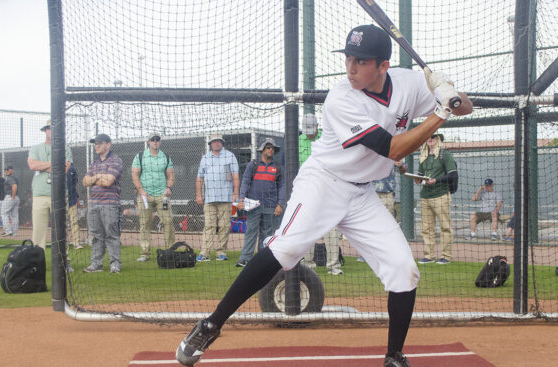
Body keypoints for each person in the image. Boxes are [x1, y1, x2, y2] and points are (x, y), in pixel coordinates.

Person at [176, 24, 472, 367]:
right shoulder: (341, 98)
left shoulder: (408, 83)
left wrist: (450, 92)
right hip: (324, 182)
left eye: (361, 61)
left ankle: (393, 356)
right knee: (285, 249)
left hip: (362, 194)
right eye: (348, 58)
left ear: (383, 66)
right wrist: (440, 112)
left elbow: (466, 107)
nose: (350, 66)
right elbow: (392, 149)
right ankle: (210, 325)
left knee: (404, 269)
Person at [298, 114, 344, 274]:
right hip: (307, 190)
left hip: (328, 189)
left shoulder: (328, 138)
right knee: (308, 228)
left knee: (332, 229)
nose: (309, 133)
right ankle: (308, 266)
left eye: (312, 129)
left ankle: (334, 266)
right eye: (307, 130)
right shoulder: (297, 142)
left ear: (317, 126)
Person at [235, 138, 285, 267]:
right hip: (253, 205)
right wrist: (241, 199)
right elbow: (245, 181)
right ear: (262, 149)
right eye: (268, 147)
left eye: (273, 148)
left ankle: (262, 260)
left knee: (267, 234)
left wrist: (280, 204)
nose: (271, 150)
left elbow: (282, 186)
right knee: (250, 231)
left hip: (270, 205)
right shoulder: (253, 164)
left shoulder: (278, 167)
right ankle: (245, 259)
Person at [27, 121, 73, 249]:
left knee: (60, 230)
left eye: (55, 128)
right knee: (38, 231)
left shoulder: (65, 148)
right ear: (45, 130)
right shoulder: (35, 148)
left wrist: (43, 165)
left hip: (59, 194)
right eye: (49, 128)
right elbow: (32, 165)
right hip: (39, 194)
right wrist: (55, 164)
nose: (52, 131)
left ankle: (65, 260)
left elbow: (64, 169)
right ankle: (37, 261)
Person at [82, 134, 124, 274]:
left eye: (99, 143)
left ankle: (115, 264)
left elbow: (108, 182)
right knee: (96, 235)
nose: (97, 146)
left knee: (111, 235)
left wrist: (94, 179)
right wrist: (99, 176)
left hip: (110, 204)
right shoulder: (94, 163)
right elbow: (85, 182)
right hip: (93, 203)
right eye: (95, 143)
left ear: (108, 144)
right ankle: (96, 264)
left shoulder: (116, 160)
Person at [132, 131, 175, 262]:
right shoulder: (140, 156)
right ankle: (145, 253)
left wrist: (168, 188)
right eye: (152, 139)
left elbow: (171, 176)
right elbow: (134, 175)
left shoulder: (165, 157)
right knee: (144, 223)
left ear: (160, 141)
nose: (155, 141)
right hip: (145, 196)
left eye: (157, 139)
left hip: (162, 196)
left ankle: (169, 251)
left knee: (168, 221)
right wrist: (141, 190)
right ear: (149, 142)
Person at [196, 133, 239, 262]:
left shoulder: (230, 156)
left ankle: (221, 252)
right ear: (210, 144)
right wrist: (198, 194)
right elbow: (199, 178)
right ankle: (205, 253)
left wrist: (236, 193)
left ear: (222, 143)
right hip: (209, 198)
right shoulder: (205, 158)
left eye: (219, 141)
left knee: (224, 226)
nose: (216, 143)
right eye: (214, 141)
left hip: (226, 198)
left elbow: (235, 175)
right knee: (209, 226)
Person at [415, 133, 456, 264]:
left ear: (438, 139)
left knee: (445, 226)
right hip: (425, 195)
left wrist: (436, 180)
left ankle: (446, 256)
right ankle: (429, 256)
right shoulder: (423, 156)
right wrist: (417, 179)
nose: (429, 139)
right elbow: (420, 175)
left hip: (441, 195)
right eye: (427, 137)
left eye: (433, 136)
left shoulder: (445, 154)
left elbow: (452, 175)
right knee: (426, 228)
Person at [66, 165, 84, 249]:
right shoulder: (56, 166)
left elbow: (75, 182)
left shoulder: (72, 169)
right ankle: (63, 244)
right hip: (60, 202)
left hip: (72, 199)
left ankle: (76, 243)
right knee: (62, 224)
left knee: (74, 222)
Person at [0, 166, 19, 237]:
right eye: (5, 170)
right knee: (14, 216)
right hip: (16, 197)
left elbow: (14, 186)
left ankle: (7, 230)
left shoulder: (10, 178)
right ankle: (14, 233)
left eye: (8, 170)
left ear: (12, 171)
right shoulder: (15, 177)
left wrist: (12, 197)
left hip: (10, 197)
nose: (6, 171)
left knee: (3, 213)